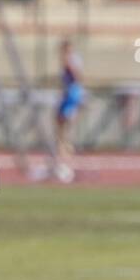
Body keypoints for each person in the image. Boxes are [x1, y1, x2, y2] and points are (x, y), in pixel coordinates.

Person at [54, 40, 85, 182]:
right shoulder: (70, 60)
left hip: (72, 94)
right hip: (71, 94)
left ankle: (66, 156)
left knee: (65, 124)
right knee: (61, 123)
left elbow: (76, 78)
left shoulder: (71, 60)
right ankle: (64, 150)